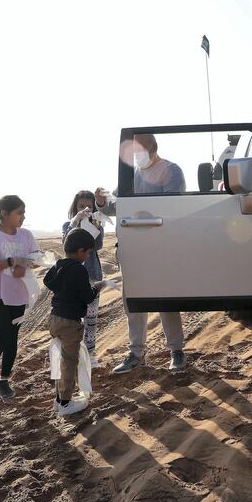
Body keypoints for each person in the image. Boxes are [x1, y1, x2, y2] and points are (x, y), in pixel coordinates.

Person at [95, 133, 187, 374]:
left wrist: (138, 205)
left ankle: (176, 350)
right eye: (133, 152)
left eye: (141, 150)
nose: (137, 156)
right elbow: (116, 206)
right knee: (133, 302)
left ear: (154, 147)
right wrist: (102, 203)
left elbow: (171, 205)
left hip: (161, 247)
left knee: (166, 300)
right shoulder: (131, 174)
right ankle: (136, 353)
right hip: (133, 248)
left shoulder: (171, 170)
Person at [0, 195, 40, 401]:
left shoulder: (26, 235)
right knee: (3, 336)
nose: (23, 216)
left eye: (23, 212)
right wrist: (12, 261)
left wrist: (25, 265)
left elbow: (36, 259)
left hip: (20, 294)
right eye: (19, 212)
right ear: (4, 214)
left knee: (12, 339)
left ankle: (4, 381)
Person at [44, 228, 107, 415]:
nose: (88, 257)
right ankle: (65, 402)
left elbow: (48, 281)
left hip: (54, 318)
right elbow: (87, 297)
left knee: (61, 359)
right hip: (70, 323)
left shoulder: (59, 265)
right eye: (88, 253)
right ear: (81, 251)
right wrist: (98, 288)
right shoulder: (79, 269)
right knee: (69, 362)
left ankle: (59, 399)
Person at [62, 190, 104, 367]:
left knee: (91, 319)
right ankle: (73, 355)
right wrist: (76, 222)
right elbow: (66, 243)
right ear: (75, 208)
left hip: (92, 276)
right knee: (73, 319)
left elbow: (98, 245)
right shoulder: (68, 225)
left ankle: (90, 354)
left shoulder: (97, 224)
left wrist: (95, 227)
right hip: (72, 278)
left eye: (89, 206)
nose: (85, 209)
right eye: (81, 206)